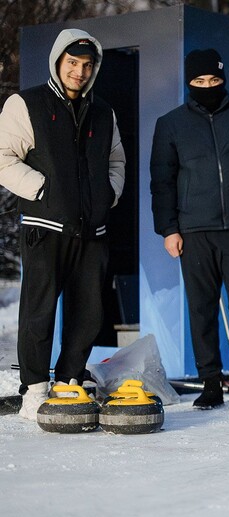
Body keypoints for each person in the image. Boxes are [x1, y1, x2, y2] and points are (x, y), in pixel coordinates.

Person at [0, 29, 125, 420]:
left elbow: (116, 161)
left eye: (87, 65)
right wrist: (42, 189)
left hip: (92, 229)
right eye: (72, 63)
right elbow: (3, 157)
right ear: (58, 61)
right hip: (46, 225)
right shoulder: (26, 103)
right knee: (39, 311)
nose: (79, 72)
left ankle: (70, 379)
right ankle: (35, 388)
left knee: (89, 312)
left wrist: (108, 195)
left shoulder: (103, 112)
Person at [150, 49, 229, 411]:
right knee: (201, 310)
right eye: (200, 81)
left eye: (214, 80)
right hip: (193, 231)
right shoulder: (171, 124)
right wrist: (168, 229)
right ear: (189, 82)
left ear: (224, 80)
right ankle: (210, 383)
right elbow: (162, 182)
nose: (207, 86)